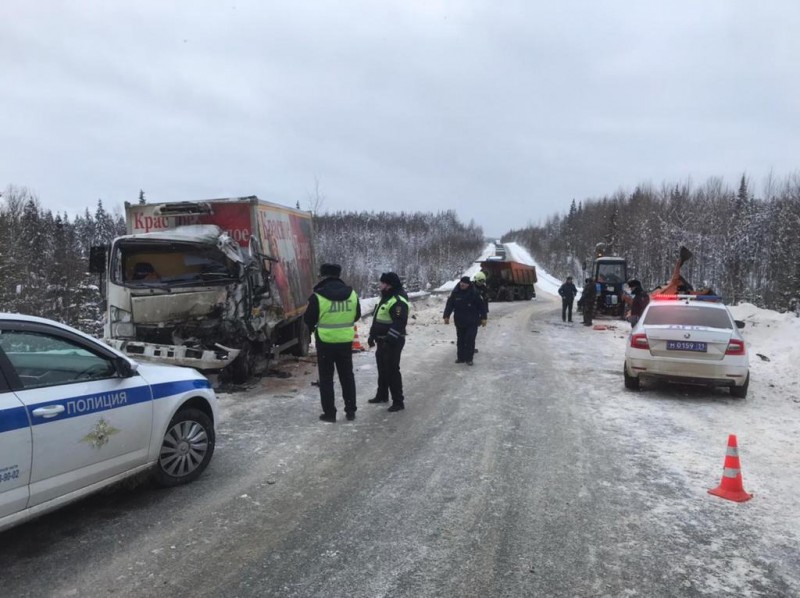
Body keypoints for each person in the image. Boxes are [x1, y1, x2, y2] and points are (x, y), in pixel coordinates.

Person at [304, 263, 361, 422]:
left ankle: (330, 413)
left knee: (327, 378)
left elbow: (308, 319)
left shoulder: (318, 296)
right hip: (345, 341)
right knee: (347, 376)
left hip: (325, 342)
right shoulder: (352, 294)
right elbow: (357, 315)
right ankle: (350, 411)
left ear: (324, 276)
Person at [367, 272, 410, 412]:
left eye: (382, 283)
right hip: (381, 340)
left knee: (392, 370)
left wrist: (390, 340)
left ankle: (398, 401)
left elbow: (400, 323)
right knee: (382, 368)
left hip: (393, 341)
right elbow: (377, 318)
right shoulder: (386, 298)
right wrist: (372, 335)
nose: (380, 285)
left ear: (389, 285)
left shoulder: (398, 300)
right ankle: (382, 395)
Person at [443, 276, 487, 365]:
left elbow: (482, 306)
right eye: (461, 282)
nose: (462, 284)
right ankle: (461, 358)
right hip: (460, 321)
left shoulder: (474, 293)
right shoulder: (455, 293)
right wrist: (446, 316)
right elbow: (449, 305)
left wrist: (483, 317)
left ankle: (469, 359)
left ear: (468, 284)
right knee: (461, 340)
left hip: (472, 321)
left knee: (470, 339)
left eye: (464, 283)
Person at [473, 271, 490, 352]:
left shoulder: (484, 289)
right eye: (480, 281)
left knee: (473, 332)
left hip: (477, 314)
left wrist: (484, 316)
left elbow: (485, 303)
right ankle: (466, 347)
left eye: (483, 281)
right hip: (468, 313)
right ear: (476, 280)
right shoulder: (470, 288)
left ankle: (470, 347)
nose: (481, 283)